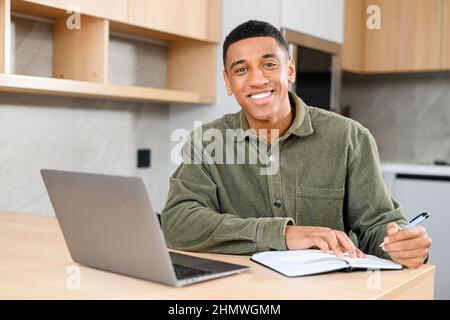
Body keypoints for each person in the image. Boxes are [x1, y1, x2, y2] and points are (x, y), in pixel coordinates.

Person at [161, 20, 431, 268]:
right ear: (228, 82)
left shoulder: (351, 137)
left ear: (289, 70)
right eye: (241, 69)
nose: (257, 80)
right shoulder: (206, 141)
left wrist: (402, 244)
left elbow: (377, 226)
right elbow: (178, 222)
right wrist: (285, 234)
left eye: (269, 64)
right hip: (240, 292)